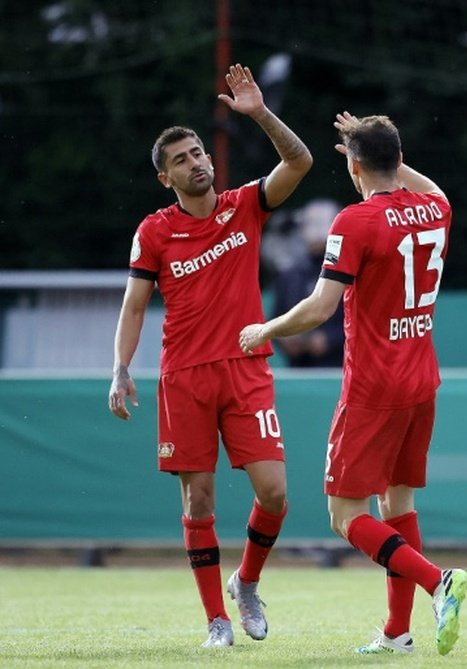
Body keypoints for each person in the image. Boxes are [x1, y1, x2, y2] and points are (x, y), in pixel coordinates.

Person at [238, 111, 467, 656]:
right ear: (399, 159)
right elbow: (428, 185)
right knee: (398, 504)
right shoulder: (436, 208)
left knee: (346, 515)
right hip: (421, 380)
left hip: (373, 386)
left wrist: (263, 330)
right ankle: (397, 632)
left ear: (355, 165)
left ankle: (440, 583)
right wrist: (376, 147)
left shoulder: (356, 220)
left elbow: (321, 306)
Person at [108, 63, 313, 648]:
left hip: (247, 367)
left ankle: (246, 584)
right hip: (185, 377)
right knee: (198, 497)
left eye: (199, 151)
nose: (197, 162)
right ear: (164, 177)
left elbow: (299, 163)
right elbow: (134, 305)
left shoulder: (245, 205)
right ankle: (214, 621)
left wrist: (259, 113)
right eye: (182, 159)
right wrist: (121, 369)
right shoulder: (154, 232)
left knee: (274, 492)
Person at [271, 199, 346, 367]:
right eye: (311, 224)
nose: (316, 232)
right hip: (298, 369)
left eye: (321, 224)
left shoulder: (348, 272)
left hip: (338, 367)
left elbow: (362, 319)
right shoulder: (289, 275)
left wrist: (331, 339)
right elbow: (276, 317)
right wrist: (284, 337)